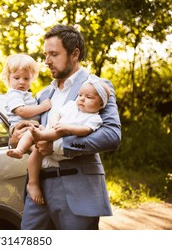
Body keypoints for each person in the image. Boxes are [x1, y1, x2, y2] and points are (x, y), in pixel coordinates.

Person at [10, 24, 121, 230]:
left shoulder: (97, 87)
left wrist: (58, 146)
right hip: (37, 190)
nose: (46, 61)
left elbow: (111, 135)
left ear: (74, 54)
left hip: (77, 190)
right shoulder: (43, 95)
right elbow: (29, 129)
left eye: (53, 54)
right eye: (45, 54)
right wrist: (15, 136)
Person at [9, 77, 110, 159]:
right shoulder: (45, 94)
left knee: (56, 132)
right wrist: (13, 139)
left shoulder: (95, 115)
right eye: (80, 95)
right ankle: (20, 152)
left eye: (54, 54)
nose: (47, 61)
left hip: (71, 165)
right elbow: (55, 114)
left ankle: (39, 136)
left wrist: (59, 141)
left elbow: (108, 136)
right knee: (31, 134)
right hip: (48, 136)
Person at [2, 53, 52, 205]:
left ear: (32, 78)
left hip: (31, 131)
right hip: (24, 129)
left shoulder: (26, 94)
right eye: (17, 78)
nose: (21, 82)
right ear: (8, 78)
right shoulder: (14, 94)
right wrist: (42, 107)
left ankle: (33, 182)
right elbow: (22, 112)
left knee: (37, 153)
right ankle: (19, 151)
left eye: (26, 78)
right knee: (33, 138)